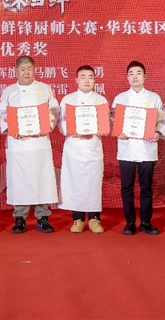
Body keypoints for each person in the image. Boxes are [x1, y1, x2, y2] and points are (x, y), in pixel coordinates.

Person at [0, 56, 60, 233]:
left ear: (34, 70)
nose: (26, 72)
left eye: (29, 68)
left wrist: (46, 125)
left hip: (39, 143)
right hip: (18, 144)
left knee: (42, 179)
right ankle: (20, 218)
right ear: (16, 71)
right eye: (22, 69)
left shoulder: (44, 88)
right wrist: (10, 128)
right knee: (19, 181)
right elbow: (1, 114)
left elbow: (54, 109)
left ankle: (43, 217)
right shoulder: (9, 91)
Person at [112, 61, 165, 236]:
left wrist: (158, 132)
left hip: (147, 148)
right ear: (127, 77)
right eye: (131, 73)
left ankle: (145, 222)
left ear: (145, 76)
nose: (135, 76)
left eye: (138, 73)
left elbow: (162, 120)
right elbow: (113, 121)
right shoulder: (120, 99)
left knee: (146, 187)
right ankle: (129, 222)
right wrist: (118, 131)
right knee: (126, 188)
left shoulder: (154, 98)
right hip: (126, 149)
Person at [58, 65, 108, 233]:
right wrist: (72, 130)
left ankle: (94, 219)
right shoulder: (68, 99)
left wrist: (102, 129)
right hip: (75, 147)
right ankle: (77, 219)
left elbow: (105, 125)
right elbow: (61, 122)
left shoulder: (101, 100)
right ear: (76, 80)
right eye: (83, 77)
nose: (87, 80)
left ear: (94, 80)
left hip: (93, 146)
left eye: (90, 77)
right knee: (75, 182)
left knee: (94, 183)